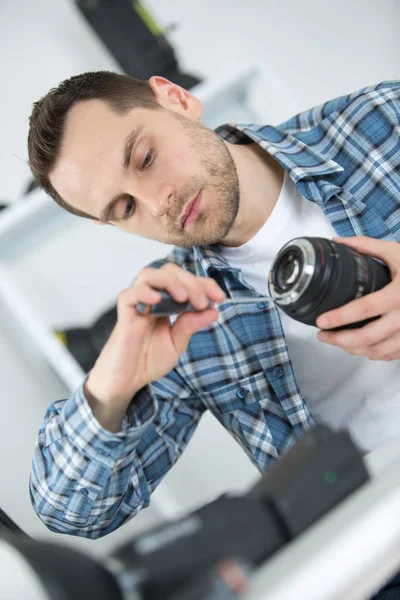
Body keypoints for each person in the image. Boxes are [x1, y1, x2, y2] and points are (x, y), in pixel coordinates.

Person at [27, 71, 400, 596]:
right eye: (125, 208)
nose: (158, 203)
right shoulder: (183, 318)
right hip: (371, 557)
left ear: (176, 100)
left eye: (145, 158)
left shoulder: (381, 123)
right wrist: (111, 385)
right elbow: (71, 511)